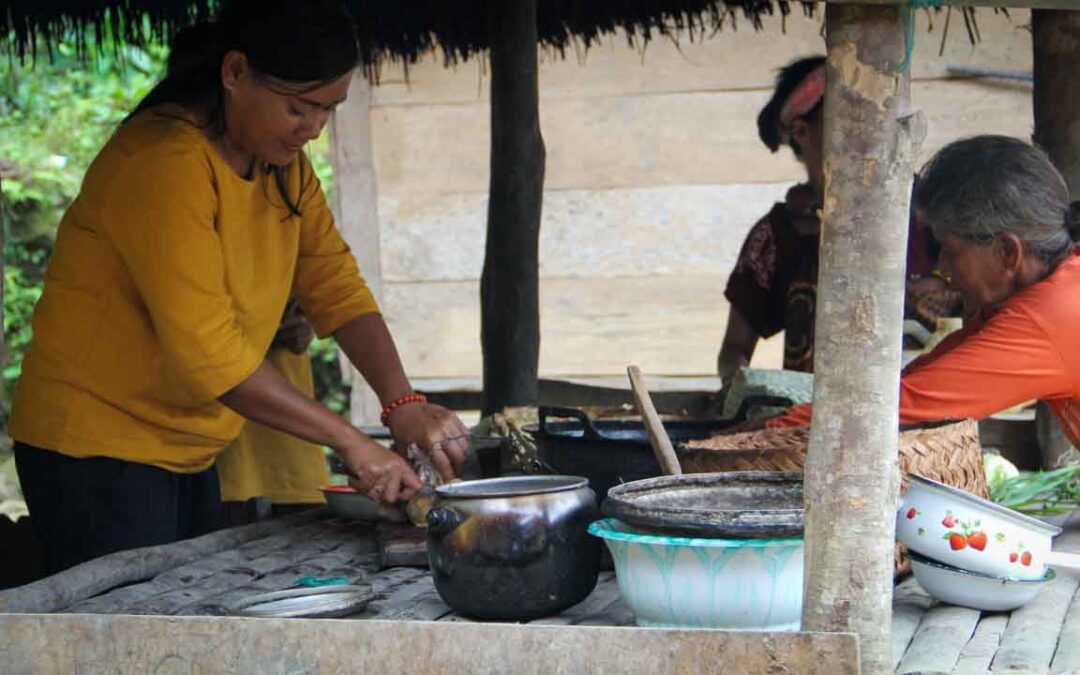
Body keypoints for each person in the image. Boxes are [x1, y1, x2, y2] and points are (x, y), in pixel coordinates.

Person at [9, 0, 470, 574]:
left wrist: (403, 403)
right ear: (234, 73)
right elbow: (209, 353)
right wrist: (351, 441)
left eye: (329, 110)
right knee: (129, 636)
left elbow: (336, 285)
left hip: (188, 448)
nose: (313, 128)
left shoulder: (285, 168)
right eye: (298, 107)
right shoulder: (163, 162)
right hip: (94, 448)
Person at [769, 135, 1080, 448]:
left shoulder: (1050, 314)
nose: (943, 268)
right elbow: (923, 376)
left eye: (949, 250)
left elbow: (901, 406)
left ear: (1008, 252)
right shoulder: (1051, 290)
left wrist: (761, 433)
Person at [718, 56, 959, 385]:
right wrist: (746, 390)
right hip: (813, 426)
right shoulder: (778, 235)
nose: (866, 132)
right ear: (802, 132)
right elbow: (734, 350)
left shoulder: (934, 214)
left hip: (929, 424)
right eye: (848, 121)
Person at [216, 300, 331, 523]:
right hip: (218, 455)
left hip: (291, 452)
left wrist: (304, 322)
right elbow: (199, 333)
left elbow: (341, 295)